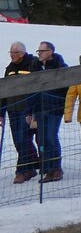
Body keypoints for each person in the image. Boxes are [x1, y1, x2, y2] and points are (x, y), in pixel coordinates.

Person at [31, 41, 69, 182]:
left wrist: (61, 104)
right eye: (38, 51)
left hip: (54, 108)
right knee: (42, 138)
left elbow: (66, 88)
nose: (39, 53)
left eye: (42, 50)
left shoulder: (60, 67)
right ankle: (48, 169)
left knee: (50, 137)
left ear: (50, 52)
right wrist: (30, 111)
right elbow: (31, 89)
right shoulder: (35, 67)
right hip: (40, 108)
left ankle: (57, 168)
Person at [4, 42, 39, 183]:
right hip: (13, 110)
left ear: (22, 53)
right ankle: (33, 160)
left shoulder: (32, 65)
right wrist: (1, 112)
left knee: (23, 139)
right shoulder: (9, 68)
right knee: (18, 141)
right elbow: (4, 90)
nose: (12, 55)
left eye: (14, 53)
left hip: (27, 110)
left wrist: (34, 110)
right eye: (10, 53)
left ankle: (23, 170)